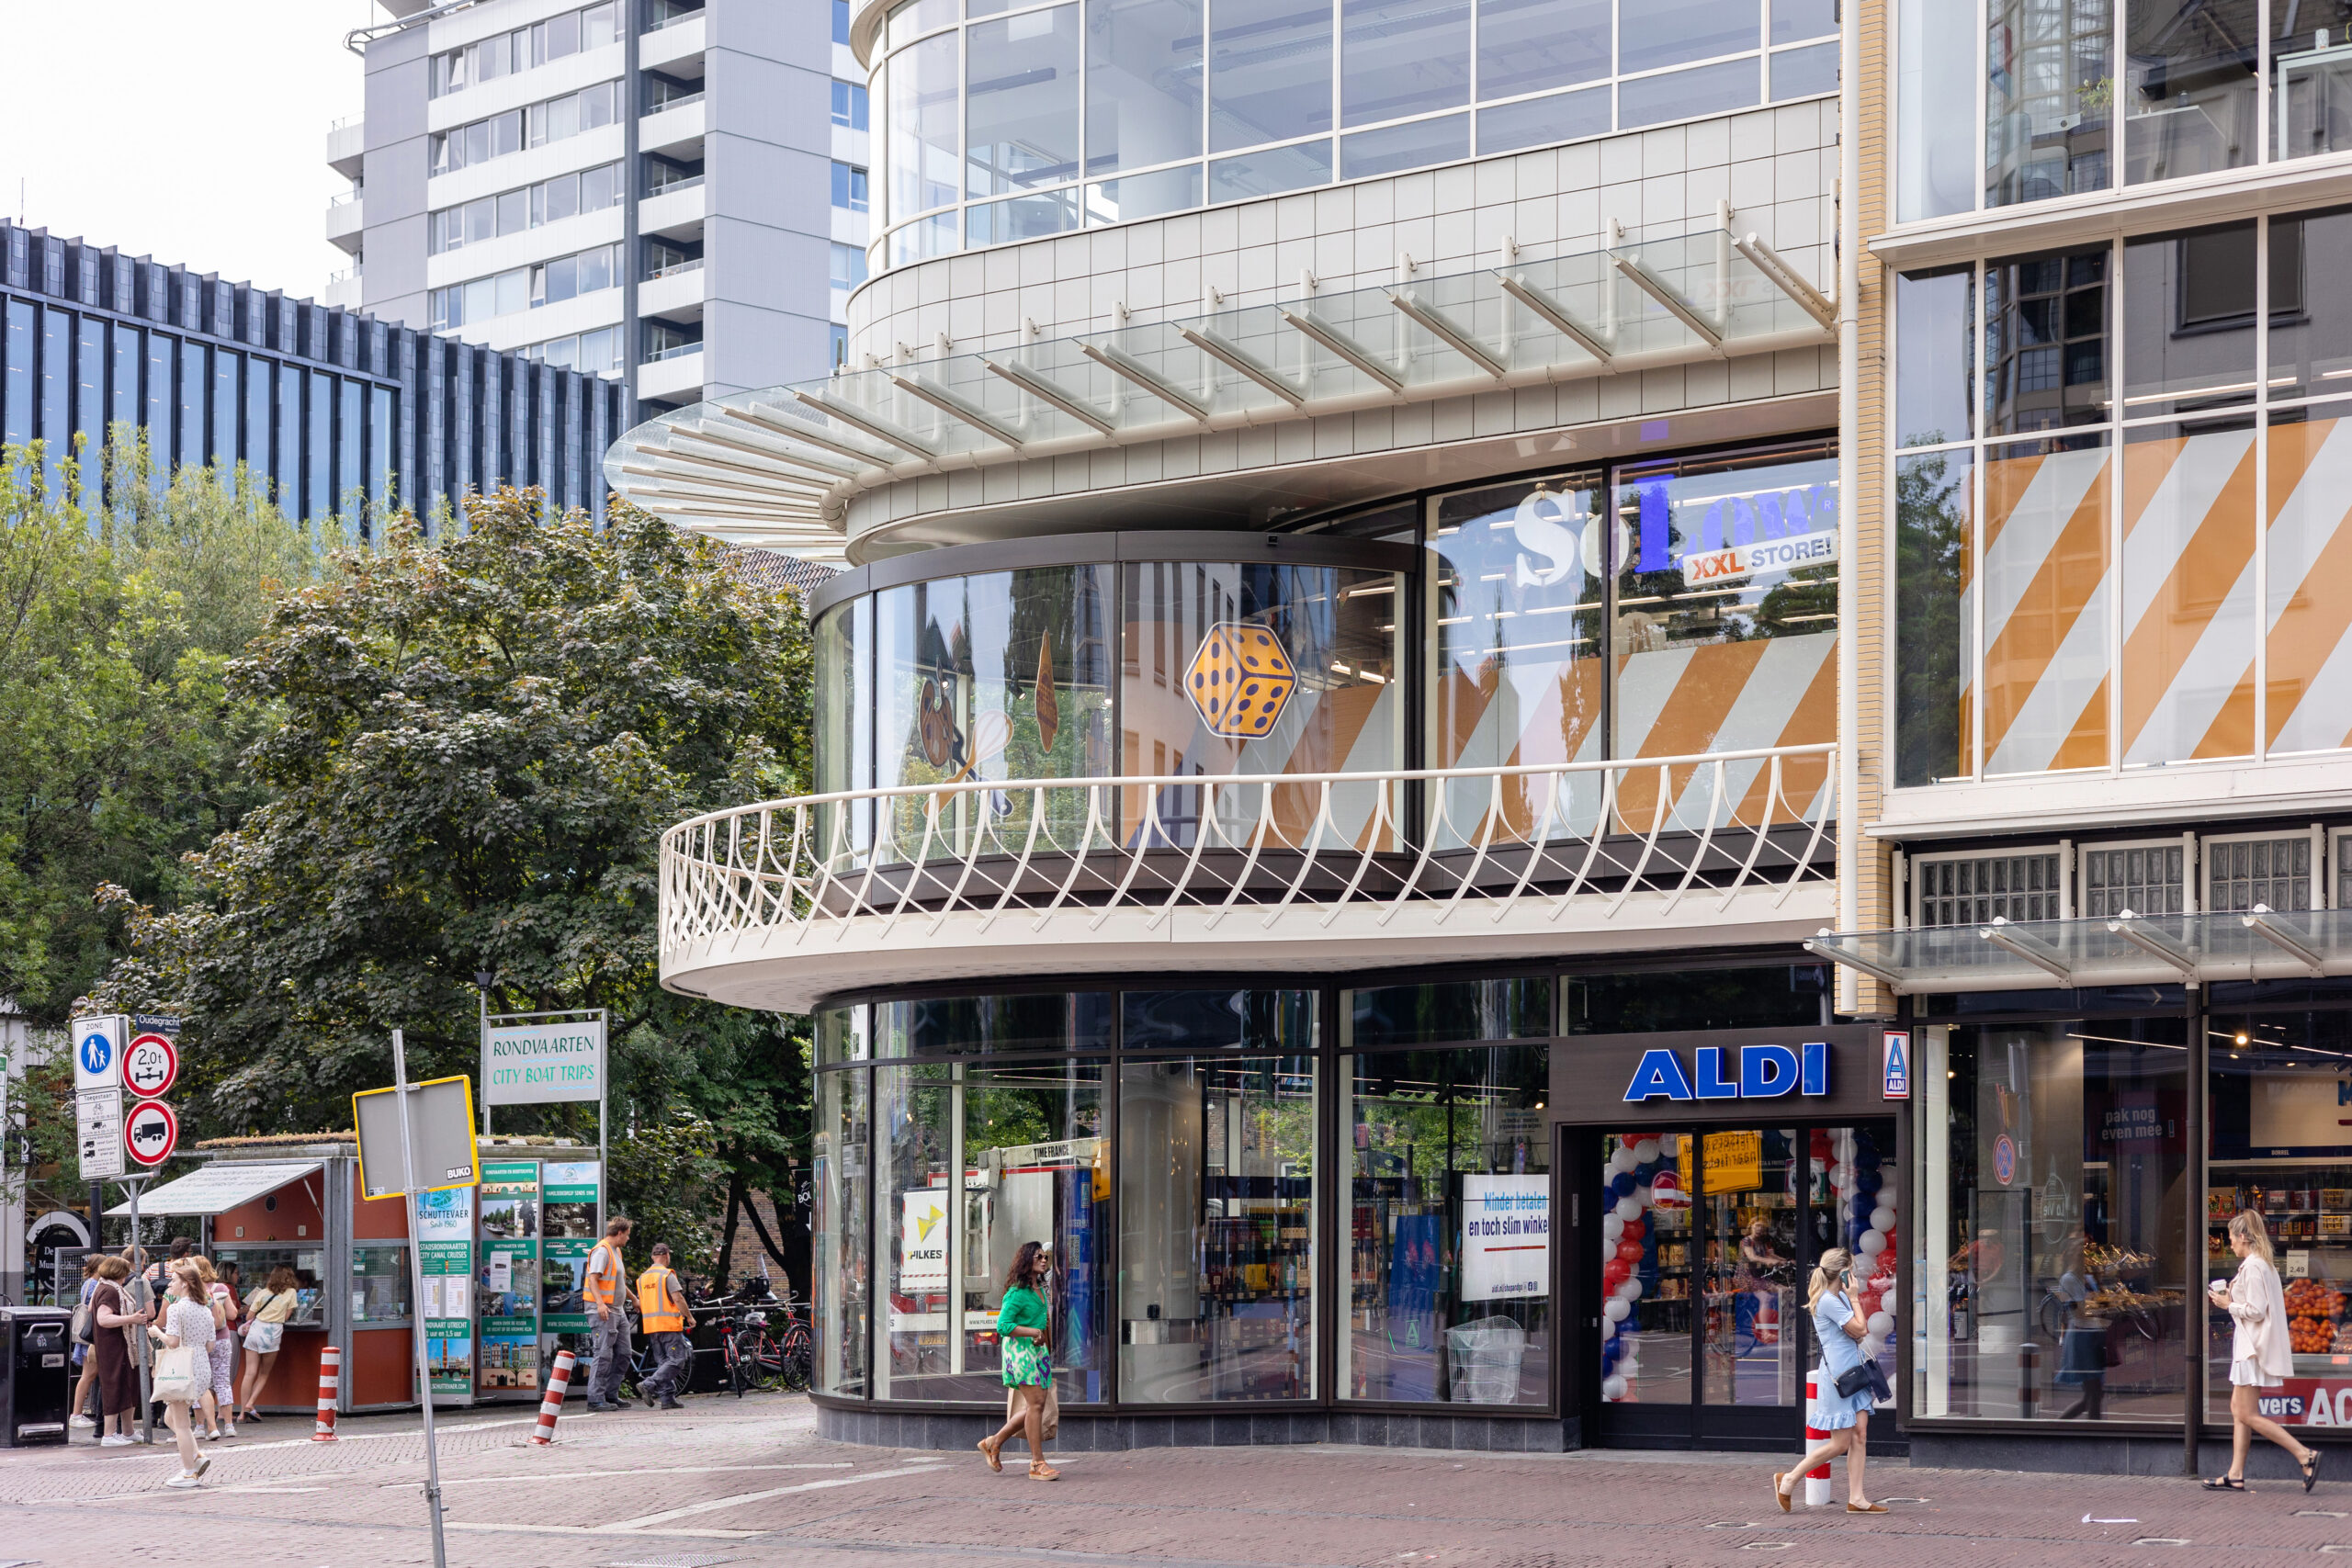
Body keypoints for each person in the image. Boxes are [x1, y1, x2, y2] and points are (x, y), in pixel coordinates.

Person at [2205, 1210, 2321, 1492]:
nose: (2229, 1243)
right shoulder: (2260, 1264)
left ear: (2243, 1237)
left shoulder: (2254, 1266)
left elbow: (2256, 1311)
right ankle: (2235, 1473)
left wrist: (2226, 1305)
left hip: (2251, 1348)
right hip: (2251, 1347)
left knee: (2246, 1414)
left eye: (2231, 1237)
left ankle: (2304, 1454)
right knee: (2238, 1410)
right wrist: (2231, 1297)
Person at [1772, 1247, 1883, 1514]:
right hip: (1839, 1378)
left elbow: (1856, 1335)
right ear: (1843, 1272)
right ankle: (1788, 1478)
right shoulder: (1829, 1301)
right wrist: (1855, 1300)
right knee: (1841, 1442)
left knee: (1860, 1435)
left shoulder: (1838, 1297)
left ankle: (1857, 1498)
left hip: (1854, 1374)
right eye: (1852, 1270)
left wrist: (1851, 1302)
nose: (1854, 1275)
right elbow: (1861, 1329)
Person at [976, 1240, 1057, 1483]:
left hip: (1038, 1354)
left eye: (1045, 1257)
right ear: (1026, 1261)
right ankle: (1037, 1463)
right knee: (1035, 1406)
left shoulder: (1040, 1290)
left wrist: (1043, 1342)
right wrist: (1032, 1333)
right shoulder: (1017, 1293)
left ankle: (994, 1442)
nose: (1044, 1260)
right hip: (1020, 1355)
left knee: (1036, 1405)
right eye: (1038, 1257)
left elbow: (1042, 1323)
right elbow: (1003, 1326)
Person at [147, 1260, 214, 1488]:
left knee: (182, 1424)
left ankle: (188, 1472)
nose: (169, 1285)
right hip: (202, 1368)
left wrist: (157, 1332)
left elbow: (173, 1342)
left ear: (185, 1283)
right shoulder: (205, 1310)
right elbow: (210, 1346)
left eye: (174, 1280)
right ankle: (196, 1456)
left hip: (182, 1370)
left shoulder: (176, 1309)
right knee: (170, 1418)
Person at [2053, 1233, 2108, 1421]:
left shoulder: (2086, 1276)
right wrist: (2096, 1306)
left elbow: (2101, 1298)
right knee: (2093, 1392)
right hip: (2081, 1337)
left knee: (2094, 1394)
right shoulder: (2068, 1279)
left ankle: (2060, 1428)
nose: (2084, 1256)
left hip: (2092, 1334)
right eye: (2079, 1253)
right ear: (2070, 1255)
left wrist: (2097, 1279)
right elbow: (2077, 1312)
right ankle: (2091, 1432)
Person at [89, 1257, 141, 1448]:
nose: (128, 1275)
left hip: (119, 1346)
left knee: (127, 1385)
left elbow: (92, 1310)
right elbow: (103, 1318)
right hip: (114, 1347)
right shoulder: (110, 1290)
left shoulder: (103, 1287)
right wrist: (132, 1318)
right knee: (115, 1386)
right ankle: (109, 1434)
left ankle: (128, 1432)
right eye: (126, 1271)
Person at [582, 1216, 633, 1412]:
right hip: (604, 1311)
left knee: (624, 1353)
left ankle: (611, 1394)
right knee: (603, 1354)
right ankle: (595, 1399)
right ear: (619, 1233)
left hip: (617, 1310)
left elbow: (619, 1281)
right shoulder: (602, 1251)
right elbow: (593, 1279)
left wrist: (634, 1299)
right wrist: (600, 1304)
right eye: (627, 1235)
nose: (628, 1239)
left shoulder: (616, 1251)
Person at [238, 1266, 300, 1421]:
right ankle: (250, 1404)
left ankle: (240, 1414)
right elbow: (286, 1317)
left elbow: (249, 1316)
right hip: (272, 1333)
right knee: (264, 1373)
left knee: (249, 1373)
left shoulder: (262, 1293)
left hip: (255, 1331)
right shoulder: (291, 1292)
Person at [635, 1243, 693, 1410]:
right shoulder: (667, 1275)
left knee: (663, 1362)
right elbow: (678, 1298)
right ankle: (648, 1384)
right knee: (677, 1360)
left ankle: (667, 1398)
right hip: (668, 1325)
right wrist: (689, 1316)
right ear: (666, 1255)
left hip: (651, 1327)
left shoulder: (642, 1278)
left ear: (653, 1257)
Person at [194, 1257, 236, 1439]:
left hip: (199, 1343)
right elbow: (233, 1314)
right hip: (222, 1340)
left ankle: (199, 1427)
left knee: (199, 1384)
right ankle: (229, 1426)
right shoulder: (221, 1288)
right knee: (223, 1382)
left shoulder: (192, 1290)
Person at [68, 1257, 101, 1430]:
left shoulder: (87, 1283)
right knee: (88, 1375)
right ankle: (76, 1413)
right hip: (90, 1337)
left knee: (88, 1375)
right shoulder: (95, 1285)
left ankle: (77, 1413)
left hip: (84, 1335)